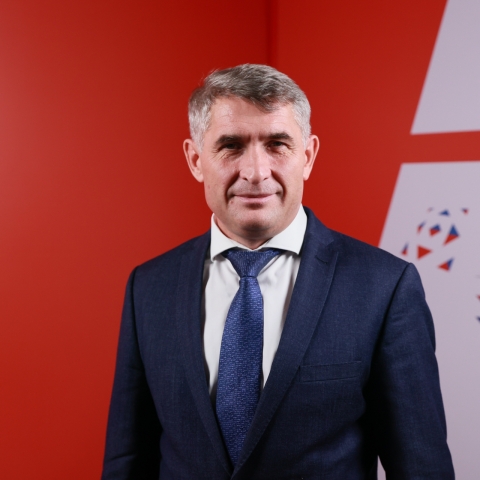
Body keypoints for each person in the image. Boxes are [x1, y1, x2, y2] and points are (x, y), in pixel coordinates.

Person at [101, 64, 454, 479]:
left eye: (277, 144)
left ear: (308, 156)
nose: (256, 172)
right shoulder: (148, 287)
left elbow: (422, 468)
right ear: (196, 160)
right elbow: (127, 462)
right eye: (231, 146)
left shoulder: (384, 288)